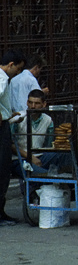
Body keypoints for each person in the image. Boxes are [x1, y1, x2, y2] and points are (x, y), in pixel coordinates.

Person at [0, 50, 26, 225]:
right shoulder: (2, 78)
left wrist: (9, 113)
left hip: (5, 121)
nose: (18, 73)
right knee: (2, 168)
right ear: (10, 65)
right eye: (17, 69)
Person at [13, 89, 66, 175]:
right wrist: (30, 157)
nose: (32, 106)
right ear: (27, 102)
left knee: (64, 156)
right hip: (20, 159)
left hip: (40, 156)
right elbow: (11, 145)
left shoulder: (48, 120)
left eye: (37, 103)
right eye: (30, 102)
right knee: (44, 175)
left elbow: (48, 145)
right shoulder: (19, 118)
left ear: (44, 104)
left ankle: (77, 185)